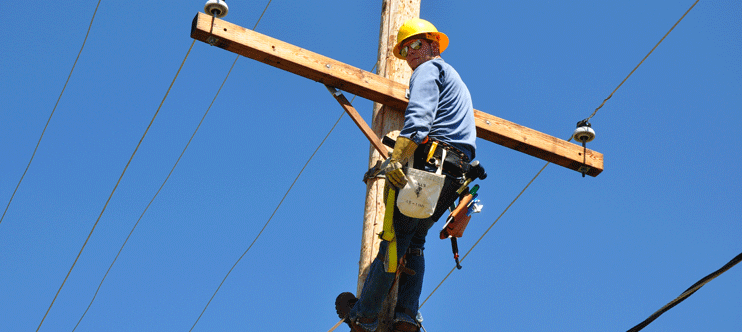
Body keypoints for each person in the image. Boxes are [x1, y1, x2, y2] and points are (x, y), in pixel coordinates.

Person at [336, 18, 477, 332]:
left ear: (433, 44)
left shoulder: (430, 71)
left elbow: (419, 119)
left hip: (431, 167)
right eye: (404, 49)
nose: (410, 53)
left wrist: (396, 160)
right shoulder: (454, 79)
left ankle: (365, 316)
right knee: (414, 243)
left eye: (415, 44)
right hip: (453, 176)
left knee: (394, 240)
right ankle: (406, 319)